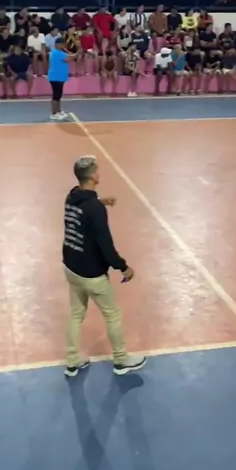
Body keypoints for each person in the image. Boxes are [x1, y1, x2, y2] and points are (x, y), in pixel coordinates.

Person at [63, 155, 146, 377]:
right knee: (112, 315)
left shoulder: (71, 197)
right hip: (91, 273)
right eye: (97, 170)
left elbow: (87, 209)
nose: (100, 173)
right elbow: (105, 246)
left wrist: (100, 201)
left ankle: (72, 361)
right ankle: (121, 360)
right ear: (92, 176)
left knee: (76, 314)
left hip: (71, 267)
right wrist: (123, 267)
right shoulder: (95, 209)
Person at [47, 37, 77, 120]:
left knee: (58, 95)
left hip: (59, 77)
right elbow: (68, 59)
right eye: (62, 44)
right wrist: (78, 53)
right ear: (57, 44)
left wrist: (68, 51)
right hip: (56, 77)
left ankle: (58, 111)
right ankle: (54, 113)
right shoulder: (56, 53)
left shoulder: (59, 52)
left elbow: (69, 56)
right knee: (56, 96)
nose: (64, 45)